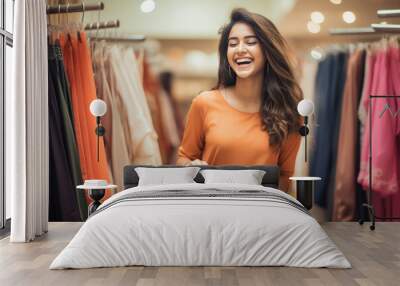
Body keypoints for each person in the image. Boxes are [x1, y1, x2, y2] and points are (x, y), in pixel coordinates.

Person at [177, 8, 302, 192]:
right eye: (232, 44)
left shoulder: (288, 112)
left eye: (251, 42)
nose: (240, 50)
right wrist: (190, 166)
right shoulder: (204, 103)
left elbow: (285, 178)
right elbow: (184, 157)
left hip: (261, 213)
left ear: (268, 50)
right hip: (211, 209)